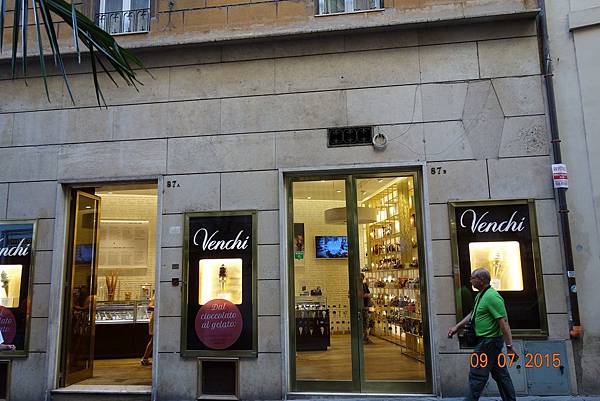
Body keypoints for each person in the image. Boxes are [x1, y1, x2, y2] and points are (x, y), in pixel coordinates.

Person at [447, 268, 518, 401]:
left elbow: (504, 323)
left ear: (481, 280)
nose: (470, 281)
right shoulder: (481, 295)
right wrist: (457, 327)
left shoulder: (492, 297)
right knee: (501, 375)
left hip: (489, 342)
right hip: (487, 342)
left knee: (477, 375)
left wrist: (510, 346)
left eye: (473, 278)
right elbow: (473, 314)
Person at [141, 293, 155, 366]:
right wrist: (160, 307)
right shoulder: (157, 295)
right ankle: (145, 359)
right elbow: (149, 307)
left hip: (158, 320)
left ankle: (145, 359)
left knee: (153, 340)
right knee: (153, 340)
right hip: (155, 320)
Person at [360, 273, 373, 344]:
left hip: (365, 306)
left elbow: (368, 294)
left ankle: (365, 337)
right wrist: (365, 295)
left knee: (366, 323)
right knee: (362, 323)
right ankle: (363, 337)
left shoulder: (364, 285)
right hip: (360, 307)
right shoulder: (356, 286)